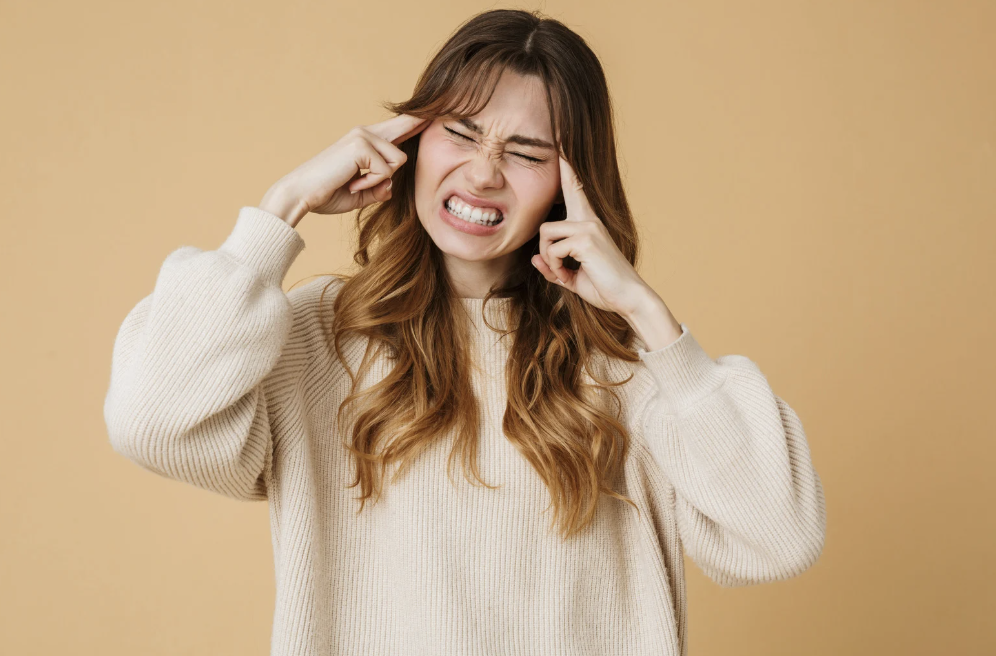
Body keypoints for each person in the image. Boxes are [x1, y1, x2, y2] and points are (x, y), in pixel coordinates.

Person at [104, 8, 826, 656]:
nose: (482, 173)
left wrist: (644, 314)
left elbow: (776, 539)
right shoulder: (319, 336)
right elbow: (153, 422)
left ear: (570, 186)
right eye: (461, 132)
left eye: (527, 153)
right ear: (414, 141)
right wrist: (281, 207)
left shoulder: (628, 371)